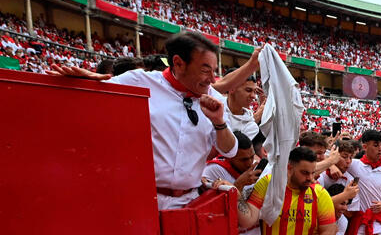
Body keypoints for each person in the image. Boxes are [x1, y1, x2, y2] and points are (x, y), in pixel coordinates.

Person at [48, 33, 247, 210]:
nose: (212, 79)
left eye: (214, 70)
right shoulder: (138, 81)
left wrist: (218, 122)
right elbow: (97, 95)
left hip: (187, 204)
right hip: (140, 200)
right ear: (178, 63)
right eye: (205, 70)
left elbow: (229, 150)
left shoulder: (215, 100)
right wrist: (85, 83)